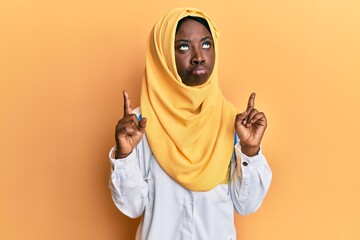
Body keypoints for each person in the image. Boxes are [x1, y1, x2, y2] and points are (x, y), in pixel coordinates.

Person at [109, 7, 272, 239]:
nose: (199, 56)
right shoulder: (140, 126)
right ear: (163, 57)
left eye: (206, 44)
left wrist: (251, 150)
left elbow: (246, 205)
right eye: (183, 47)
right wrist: (124, 156)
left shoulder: (235, 124)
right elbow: (132, 207)